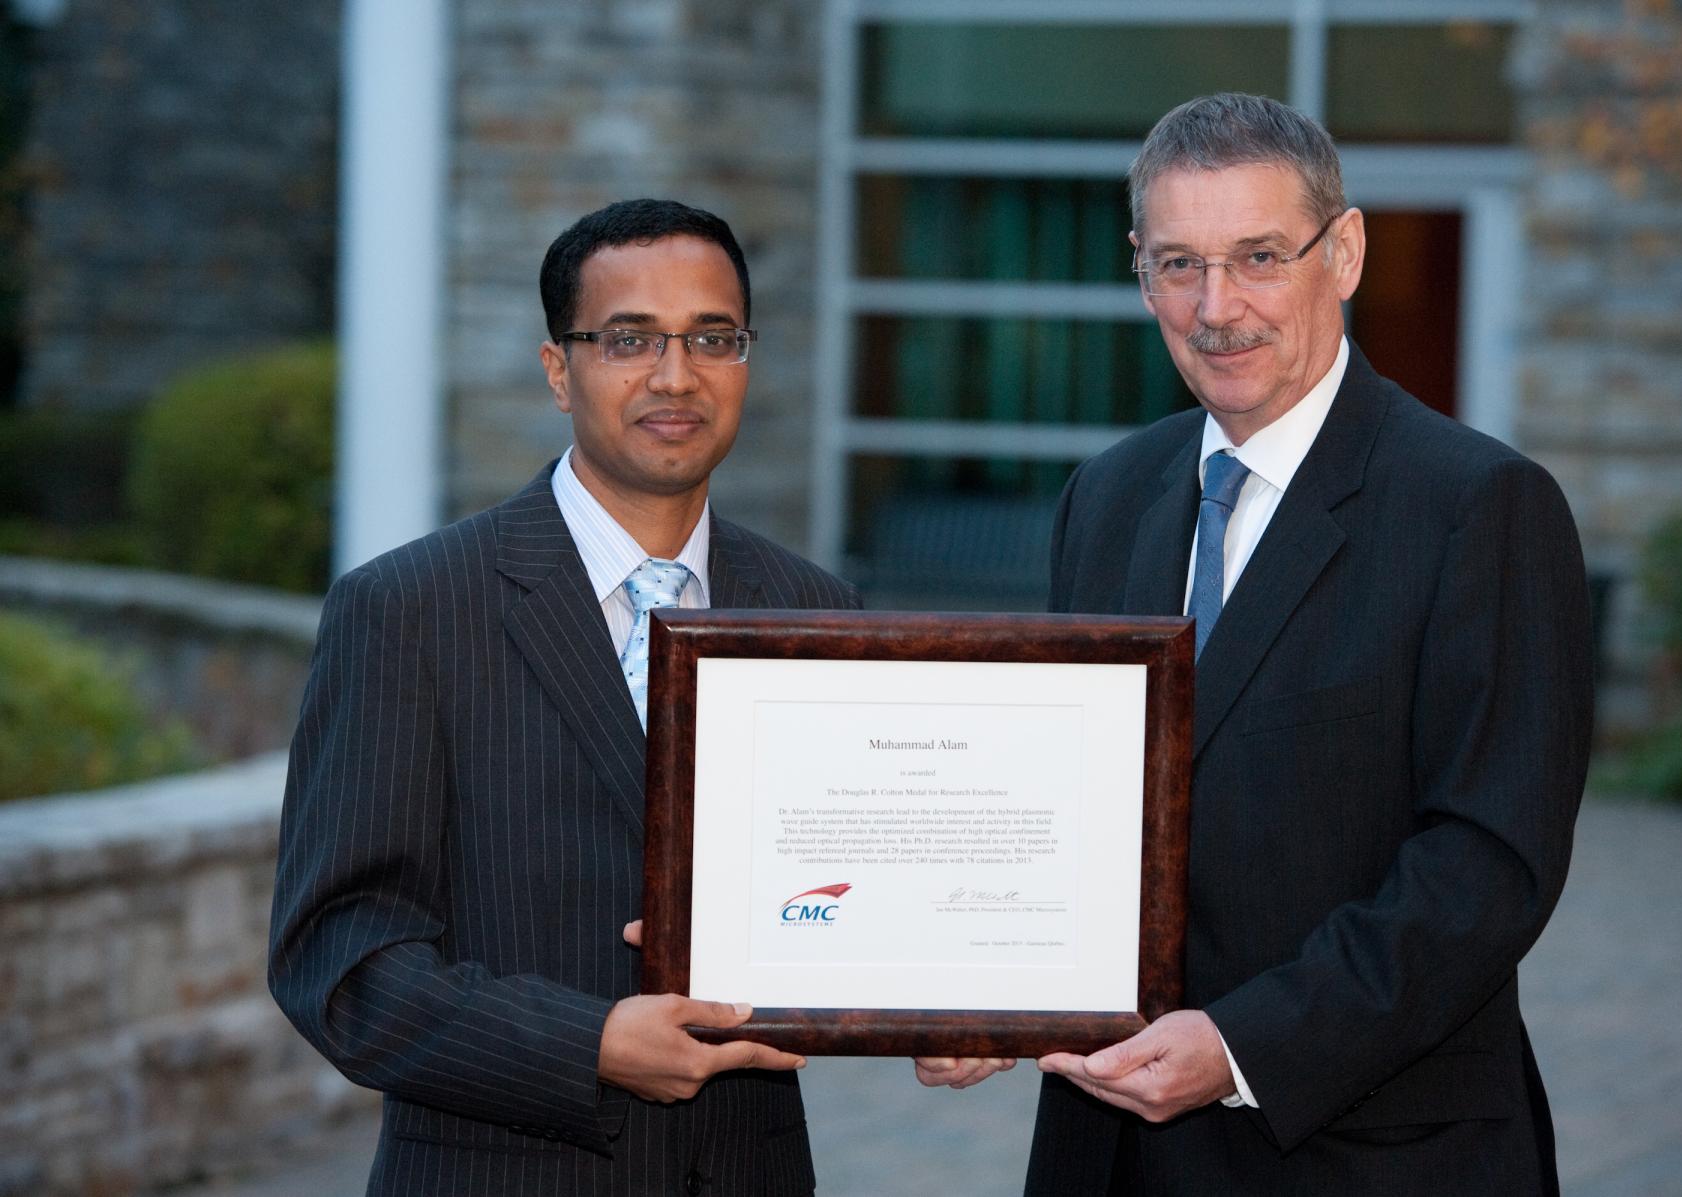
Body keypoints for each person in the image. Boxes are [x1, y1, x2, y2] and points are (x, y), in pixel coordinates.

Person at [922, 93, 1593, 1194]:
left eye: (1260, 257)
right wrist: (983, 991)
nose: (1217, 306)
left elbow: (1488, 866)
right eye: (1179, 264)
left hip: (1366, 1152)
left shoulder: (1480, 507)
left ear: (1347, 253)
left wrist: (1242, 1048)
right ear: (1139, 271)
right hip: (1112, 1150)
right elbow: (1062, 809)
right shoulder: (1108, 496)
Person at [269, 198, 858, 1196]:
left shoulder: (815, 609)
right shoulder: (409, 611)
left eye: (712, 338)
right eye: (629, 340)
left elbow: (853, 883)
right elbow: (340, 960)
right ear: (558, 369)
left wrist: (954, 1005)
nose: (676, 376)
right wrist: (586, 1043)